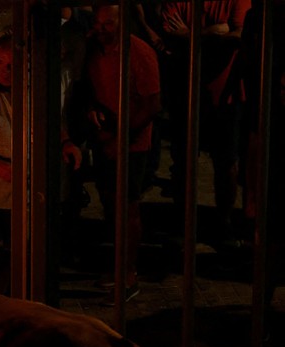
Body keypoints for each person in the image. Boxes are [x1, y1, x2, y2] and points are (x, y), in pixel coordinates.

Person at [0, 33, 81, 291]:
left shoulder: (37, 85)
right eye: (0, 62)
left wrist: (65, 142)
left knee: (22, 245)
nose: (5, 70)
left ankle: (19, 294)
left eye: (12, 64)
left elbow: (53, 117)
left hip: (22, 181)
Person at [83, 3, 162, 305]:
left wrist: (121, 138)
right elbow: (89, 88)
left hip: (132, 144)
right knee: (111, 205)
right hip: (105, 138)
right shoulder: (95, 49)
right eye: (98, 23)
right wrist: (92, 112)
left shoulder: (139, 53)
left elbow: (152, 104)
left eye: (108, 24)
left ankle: (128, 275)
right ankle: (116, 268)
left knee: (127, 209)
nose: (101, 29)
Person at [160, 0, 251, 245]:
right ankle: (185, 222)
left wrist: (188, 37)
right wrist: (212, 32)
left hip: (224, 94)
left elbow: (239, 36)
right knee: (184, 162)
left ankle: (223, 221)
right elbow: (168, 34)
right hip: (186, 92)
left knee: (226, 162)